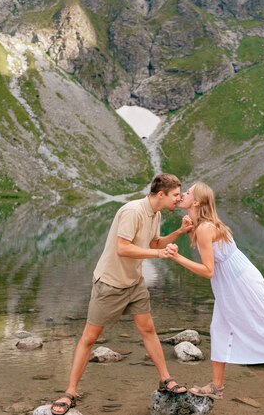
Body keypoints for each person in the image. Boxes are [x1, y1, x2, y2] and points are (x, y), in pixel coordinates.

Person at [164, 182, 264, 403]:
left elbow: (209, 271)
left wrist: (177, 258)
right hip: (230, 283)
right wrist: (187, 228)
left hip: (242, 283)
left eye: (188, 192)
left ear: (197, 201)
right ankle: (217, 385)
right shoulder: (203, 225)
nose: (183, 194)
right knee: (220, 328)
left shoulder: (205, 228)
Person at [50, 173, 193, 415]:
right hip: (111, 283)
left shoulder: (155, 213)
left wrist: (179, 232)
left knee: (148, 329)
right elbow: (123, 248)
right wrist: (159, 256)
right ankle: (70, 392)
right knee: (90, 338)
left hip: (134, 283)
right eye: (176, 195)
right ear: (161, 194)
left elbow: (154, 243)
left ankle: (165, 378)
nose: (178, 200)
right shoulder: (132, 211)